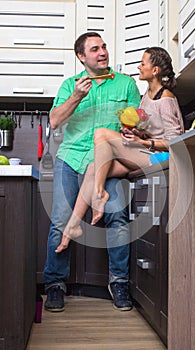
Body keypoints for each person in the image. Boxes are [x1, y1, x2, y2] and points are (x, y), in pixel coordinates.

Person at [43, 31, 141, 312]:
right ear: (81, 57)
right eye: (95, 49)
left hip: (105, 164)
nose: (102, 52)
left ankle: (119, 282)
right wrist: (76, 96)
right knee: (60, 221)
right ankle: (55, 286)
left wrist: (132, 127)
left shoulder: (125, 84)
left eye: (104, 47)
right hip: (71, 159)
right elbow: (55, 120)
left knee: (117, 215)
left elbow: (136, 122)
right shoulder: (70, 85)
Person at [55, 46, 184, 255]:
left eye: (143, 63)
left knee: (101, 135)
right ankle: (72, 227)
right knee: (94, 167)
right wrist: (137, 134)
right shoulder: (148, 95)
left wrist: (144, 143)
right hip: (147, 155)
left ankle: (98, 196)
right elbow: (151, 131)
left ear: (156, 71)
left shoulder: (166, 98)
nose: (139, 67)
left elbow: (175, 142)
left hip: (162, 158)